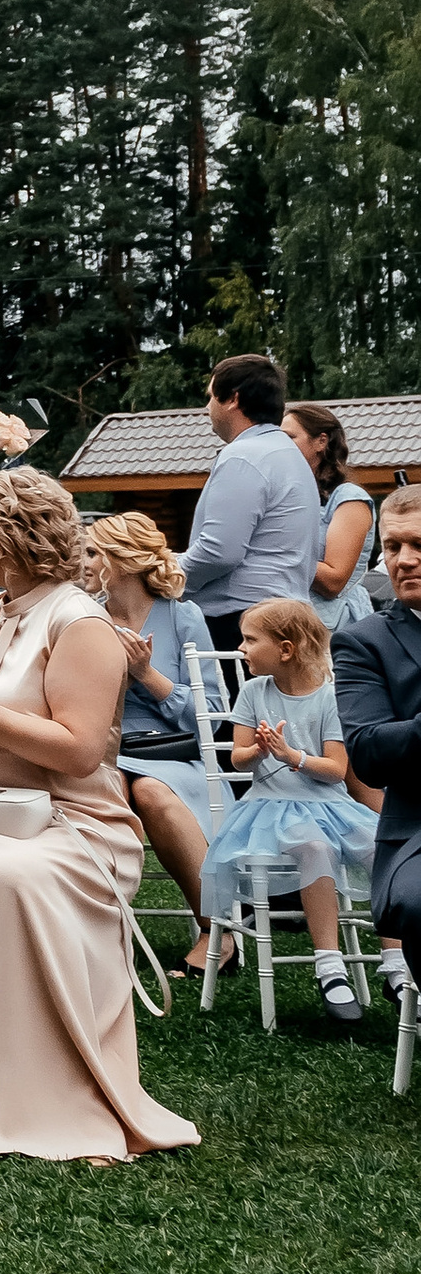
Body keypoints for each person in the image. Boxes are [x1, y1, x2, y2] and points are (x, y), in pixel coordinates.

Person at [0, 468, 199, 1165]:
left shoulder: (79, 621)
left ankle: (68, 1097)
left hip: (78, 826)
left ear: (7, 539)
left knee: (20, 878)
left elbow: (82, 752)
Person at [196, 598, 378, 1024]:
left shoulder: (330, 697)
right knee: (314, 847)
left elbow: (336, 770)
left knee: (381, 848)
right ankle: (330, 966)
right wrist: (258, 751)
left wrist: (292, 755)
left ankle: (398, 963)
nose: (241, 648)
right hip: (269, 807)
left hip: (328, 803)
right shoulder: (254, 691)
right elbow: (236, 759)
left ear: (286, 649)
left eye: (250, 639)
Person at [84, 509, 225, 977]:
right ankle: (94, 937)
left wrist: (147, 675)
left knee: (150, 791)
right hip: (107, 748)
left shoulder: (183, 616)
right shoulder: (86, 619)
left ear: (120, 561)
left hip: (174, 750)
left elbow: (214, 714)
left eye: (92, 552)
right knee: (106, 788)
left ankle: (218, 934)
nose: (82, 562)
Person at [332, 487, 421, 1014]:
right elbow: (367, 750)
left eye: (418, 544)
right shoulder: (366, 642)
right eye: (393, 547)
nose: (404, 560)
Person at [180, 352, 320, 654]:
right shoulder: (288, 454)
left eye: (210, 397)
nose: (207, 408)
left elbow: (220, 551)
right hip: (285, 614)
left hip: (241, 621)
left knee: (229, 703)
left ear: (233, 399)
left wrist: (166, 574)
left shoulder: (243, 455)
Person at [287, 401, 376, 634]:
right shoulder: (293, 497)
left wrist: (273, 551)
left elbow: (333, 581)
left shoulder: (349, 498)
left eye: (290, 438)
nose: (281, 447)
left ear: (321, 441)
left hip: (335, 628)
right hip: (293, 621)